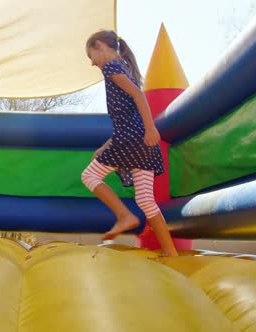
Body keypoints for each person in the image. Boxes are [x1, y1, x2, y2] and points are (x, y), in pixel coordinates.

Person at [81, 30, 178, 256]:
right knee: (145, 199)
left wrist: (151, 128)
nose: (92, 63)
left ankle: (124, 216)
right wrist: (106, 146)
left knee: (89, 176)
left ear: (99, 46)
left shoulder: (111, 67)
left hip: (133, 139)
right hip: (138, 142)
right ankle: (171, 252)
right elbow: (128, 116)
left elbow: (138, 96)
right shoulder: (122, 67)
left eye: (91, 56)